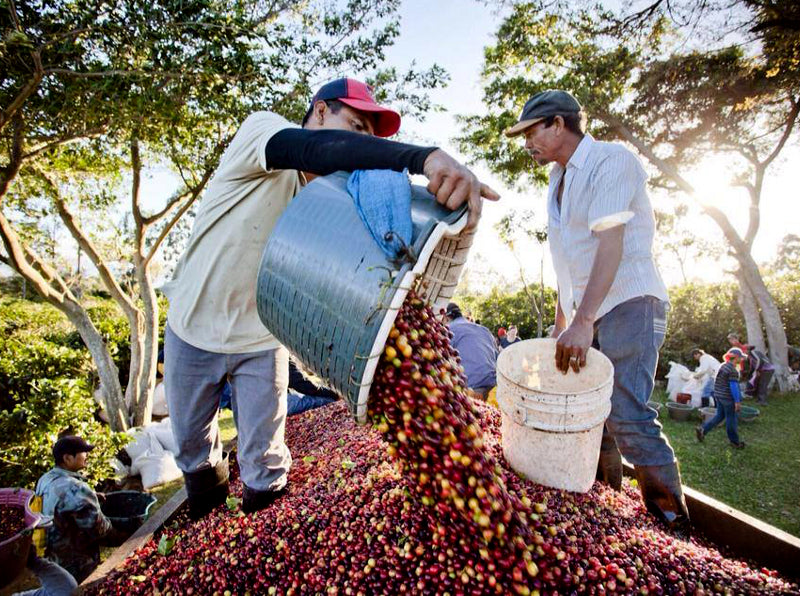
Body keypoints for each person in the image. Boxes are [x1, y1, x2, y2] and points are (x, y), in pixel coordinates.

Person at [161, 77, 498, 518]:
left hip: (260, 341)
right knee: (193, 449)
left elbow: (366, 275)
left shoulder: (334, 201)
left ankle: (258, 539)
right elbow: (322, 150)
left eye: (368, 139)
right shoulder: (265, 134)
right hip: (193, 326)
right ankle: (205, 527)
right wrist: (423, 157)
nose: (359, 144)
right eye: (356, 127)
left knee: (265, 460)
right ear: (321, 111)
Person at [506, 89, 688, 531]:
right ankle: (603, 508)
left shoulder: (611, 161)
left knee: (625, 410)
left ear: (558, 124)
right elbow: (570, 262)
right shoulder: (558, 179)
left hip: (628, 301)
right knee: (590, 410)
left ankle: (671, 521)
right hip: (587, 309)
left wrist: (584, 321)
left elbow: (610, 243)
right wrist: (563, 322)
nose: (526, 142)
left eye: (531, 131)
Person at [34, 436, 112, 583]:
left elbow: (59, 502)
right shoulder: (76, 488)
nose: (87, 456)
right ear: (68, 458)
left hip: (53, 558)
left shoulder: (44, 479)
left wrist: (92, 496)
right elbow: (100, 529)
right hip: (77, 564)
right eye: (83, 452)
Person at [444, 302, 499, 400]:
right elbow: (497, 358)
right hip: (495, 388)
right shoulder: (485, 330)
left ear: (446, 318)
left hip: (471, 391)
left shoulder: (448, 329)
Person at [696, 348, 747, 448]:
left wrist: (717, 394)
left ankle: (703, 429)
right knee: (731, 419)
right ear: (736, 358)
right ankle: (735, 442)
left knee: (719, 416)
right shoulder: (733, 370)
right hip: (728, 399)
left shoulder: (723, 366)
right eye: (740, 358)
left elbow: (717, 382)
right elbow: (734, 387)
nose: (742, 360)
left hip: (719, 396)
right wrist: (737, 401)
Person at [727, 333, 774, 405]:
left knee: (763, 384)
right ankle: (758, 398)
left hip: (767, 369)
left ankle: (762, 401)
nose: (743, 352)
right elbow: (752, 366)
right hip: (766, 369)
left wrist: (757, 370)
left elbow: (759, 361)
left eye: (745, 350)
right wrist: (751, 373)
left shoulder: (753, 353)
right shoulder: (750, 356)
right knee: (758, 383)